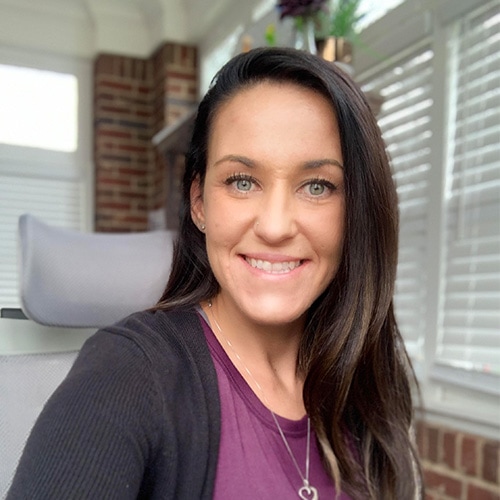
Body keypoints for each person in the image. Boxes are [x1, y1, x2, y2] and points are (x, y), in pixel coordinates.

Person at [7, 47, 422, 499]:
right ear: (200, 202)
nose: (276, 226)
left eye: (317, 186)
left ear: (356, 210)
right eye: (242, 181)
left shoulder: (369, 382)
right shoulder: (126, 373)